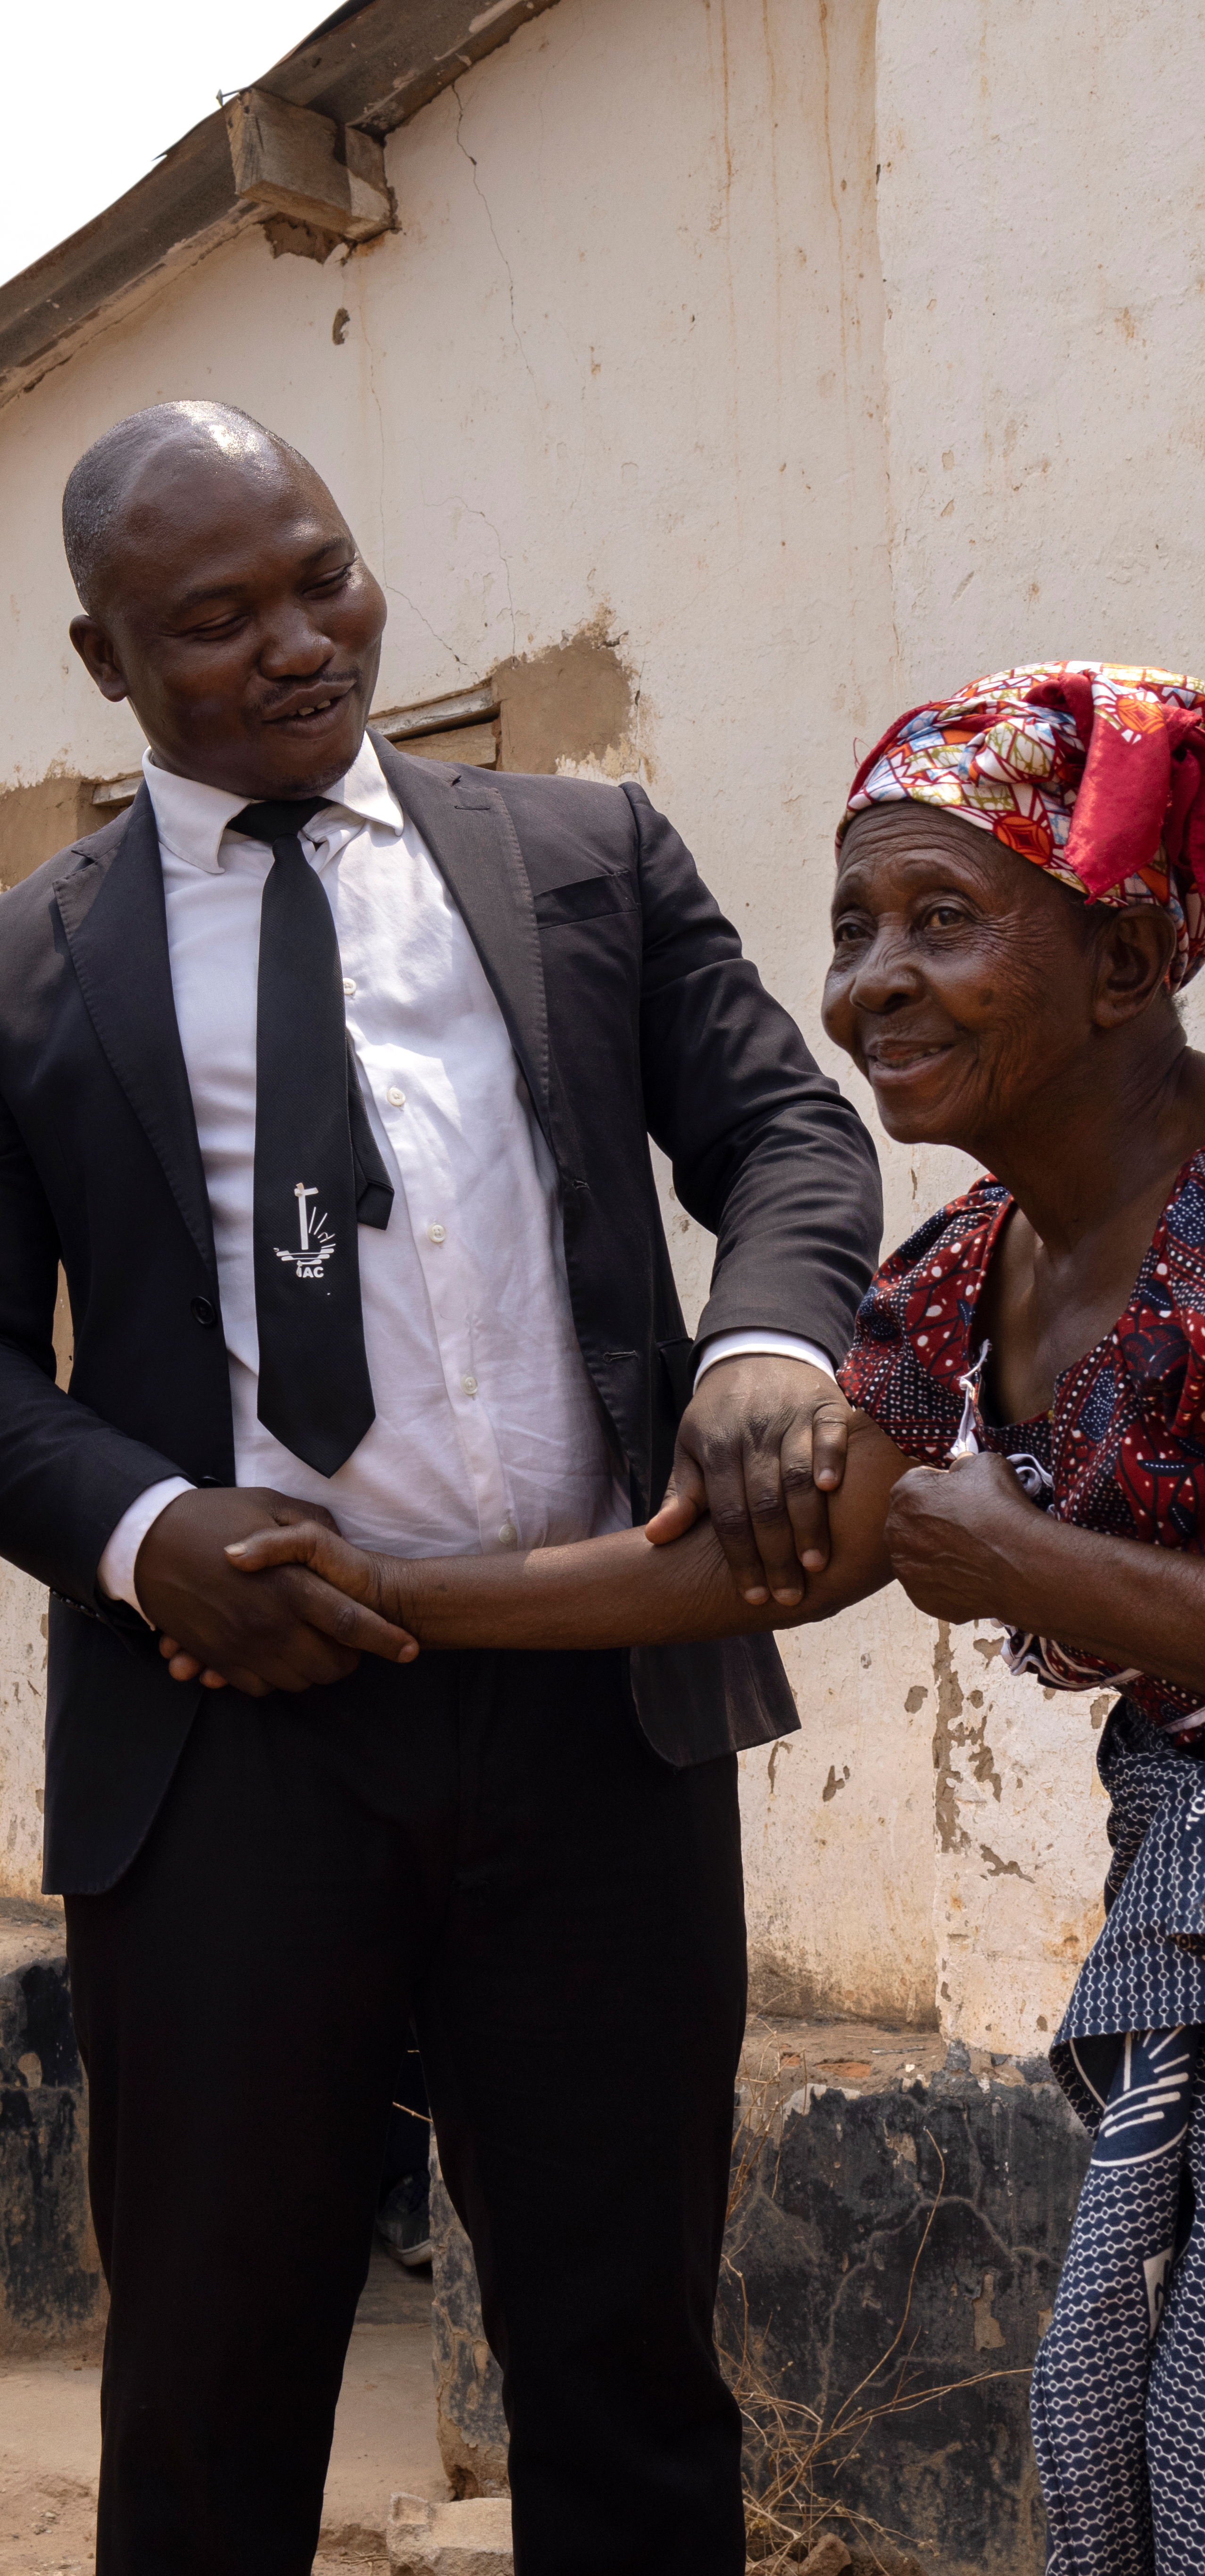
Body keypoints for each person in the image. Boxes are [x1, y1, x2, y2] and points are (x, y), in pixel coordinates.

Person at [250, 661, 1205, 2575]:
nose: (870, 980)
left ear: (1128, 967)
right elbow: (759, 1562)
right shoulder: (971, 1264)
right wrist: (375, 1586)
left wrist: (1036, 1563)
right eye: (853, 926)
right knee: (1183, 2445)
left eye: (944, 920)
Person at [0, 399, 884, 2576]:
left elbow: (784, 1134)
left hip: (599, 1711)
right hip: (226, 1741)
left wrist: (767, 1346)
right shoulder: (25, 964)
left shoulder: (583, 855)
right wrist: (140, 1529)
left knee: (625, 2358)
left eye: (326, 575)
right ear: (108, 666)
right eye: (217, 620)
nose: (303, 643)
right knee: (212, 2387)